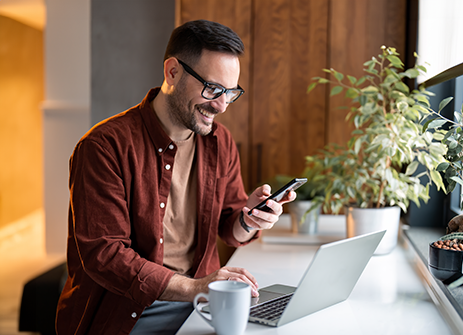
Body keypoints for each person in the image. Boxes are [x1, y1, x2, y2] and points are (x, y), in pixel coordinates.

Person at [55, 20, 295, 335]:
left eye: (230, 93)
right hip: (130, 314)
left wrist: (249, 219)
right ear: (172, 72)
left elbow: (228, 225)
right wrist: (198, 288)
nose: (222, 105)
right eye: (213, 89)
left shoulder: (219, 142)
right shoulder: (104, 147)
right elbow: (105, 256)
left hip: (202, 300)